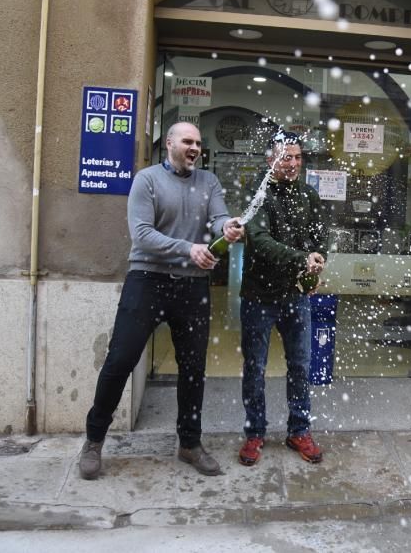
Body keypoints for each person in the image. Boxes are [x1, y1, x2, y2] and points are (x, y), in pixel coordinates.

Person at [78, 122, 245, 479]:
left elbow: (218, 219)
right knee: (120, 360)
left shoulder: (209, 183)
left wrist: (227, 227)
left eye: (199, 142)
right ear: (169, 143)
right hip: (147, 280)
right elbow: (141, 234)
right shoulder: (147, 180)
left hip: (192, 287)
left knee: (193, 370)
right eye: (187, 141)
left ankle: (189, 443)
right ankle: (93, 441)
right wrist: (189, 248)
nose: (195, 147)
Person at [237, 130, 328, 466]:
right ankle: (254, 433)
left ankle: (298, 430)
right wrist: (299, 259)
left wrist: (316, 265)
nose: (292, 163)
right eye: (285, 157)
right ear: (270, 159)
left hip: (296, 298)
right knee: (254, 369)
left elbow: (321, 237)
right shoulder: (257, 193)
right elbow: (258, 240)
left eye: (297, 157)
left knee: (300, 368)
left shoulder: (308, 195)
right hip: (258, 297)